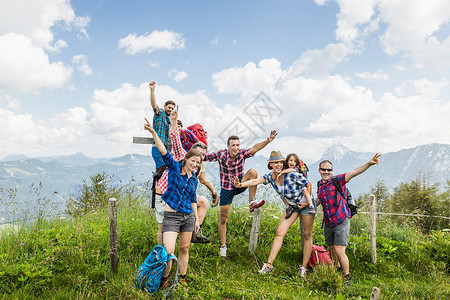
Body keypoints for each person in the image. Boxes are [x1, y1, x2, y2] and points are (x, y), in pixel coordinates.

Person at [233, 151, 316, 277]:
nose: (278, 165)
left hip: (305, 204)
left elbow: (308, 184)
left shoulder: (291, 174)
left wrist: (306, 204)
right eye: (275, 162)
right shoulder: (270, 177)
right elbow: (255, 181)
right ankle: (268, 265)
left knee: (307, 235)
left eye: (280, 162)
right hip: (292, 207)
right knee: (279, 233)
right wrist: (240, 184)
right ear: (270, 164)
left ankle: (303, 268)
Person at [144, 118, 202, 286]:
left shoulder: (194, 180)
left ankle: (182, 280)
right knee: (168, 251)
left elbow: (193, 200)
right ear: (186, 159)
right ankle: (164, 280)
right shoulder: (175, 167)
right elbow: (163, 151)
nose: (195, 165)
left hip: (188, 217)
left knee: (184, 249)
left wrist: (197, 219)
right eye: (193, 161)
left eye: (198, 163)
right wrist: (154, 132)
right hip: (172, 216)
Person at [203, 130, 277, 258]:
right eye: (233, 145)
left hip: (240, 184)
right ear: (228, 146)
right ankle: (223, 247)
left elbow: (254, 149)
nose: (236, 148)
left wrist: (268, 140)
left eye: (237, 145)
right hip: (227, 189)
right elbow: (205, 157)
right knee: (223, 219)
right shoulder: (221, 155)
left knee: (253, 172)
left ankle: (251, 203)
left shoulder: (242, 154)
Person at [155, 107, 219, 244]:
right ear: (191, 151)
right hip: (163, 194)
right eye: (198, 153)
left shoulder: (197, 165)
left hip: (179, 197)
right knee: (162, 229)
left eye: (203, 155)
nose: (200, 157)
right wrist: (173, 121)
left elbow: (199, 183)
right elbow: (175, 138)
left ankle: (196, 231)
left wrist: (213, 192)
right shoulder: (183, 156)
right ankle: (160, 256)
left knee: (202, 201)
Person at [316, 153, 381, 285]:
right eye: (324, 170)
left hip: (341, 220)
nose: (326, 172)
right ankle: (336, 271)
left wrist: (369, 163)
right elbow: (318, 200)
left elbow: (354, 172)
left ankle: (346, 278)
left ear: (332, 171)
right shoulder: (320, 185)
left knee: (340, 251)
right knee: (331, 249)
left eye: (329, 170)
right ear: (319, 170)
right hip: (328, 222)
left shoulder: (337, 180)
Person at [149, 81, 175, 173]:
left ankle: (157, 186)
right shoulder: (160, 113)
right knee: (162, 171)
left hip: (164, 150)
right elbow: (153, 105)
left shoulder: (169, 121)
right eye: (169, 107)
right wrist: (152, 90)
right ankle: (155, 186)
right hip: (157, 149)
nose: (170, 110)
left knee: (165, 172)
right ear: (165, 106)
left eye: (172, 108)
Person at [278, 153, 315, 217]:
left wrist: (282, 172)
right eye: (291, 160)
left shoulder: (296, 169)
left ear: (296, 163)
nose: (293, 162)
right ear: (287, 161)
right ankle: (288, 207)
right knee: (281, 192)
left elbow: (292, 170)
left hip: (300, 185)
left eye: (295, 161)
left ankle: (311, 205)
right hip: (294, 188)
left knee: (305, 191)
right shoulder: (285, 168)